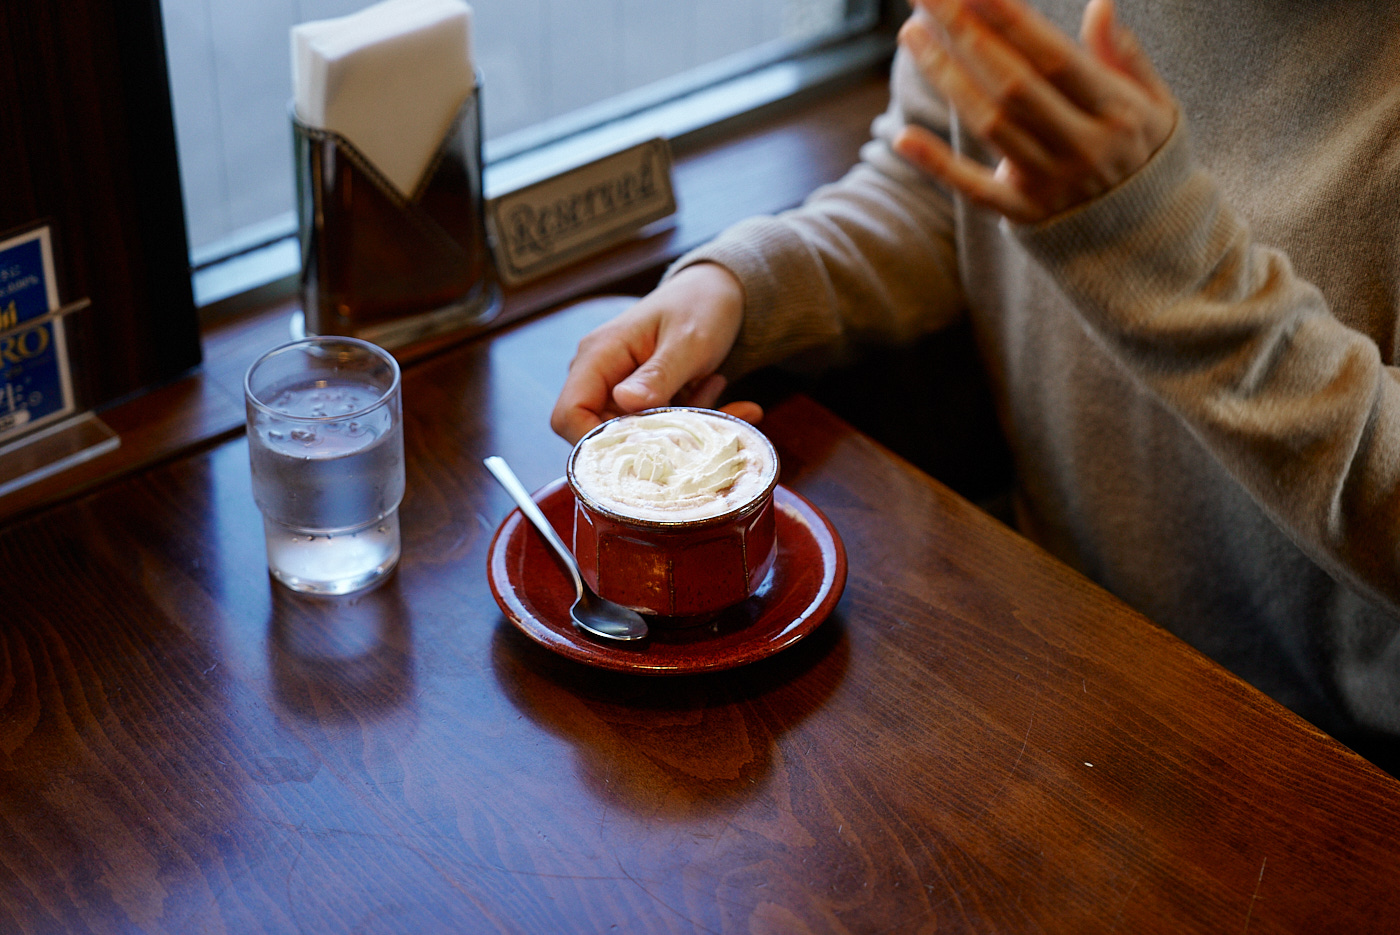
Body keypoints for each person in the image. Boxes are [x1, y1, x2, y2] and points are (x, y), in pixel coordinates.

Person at [551, 0, 1400, 748]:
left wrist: (1158, 255)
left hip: (1330, 756)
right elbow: (946, 187)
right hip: (1060, 629)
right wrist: (741, 285)